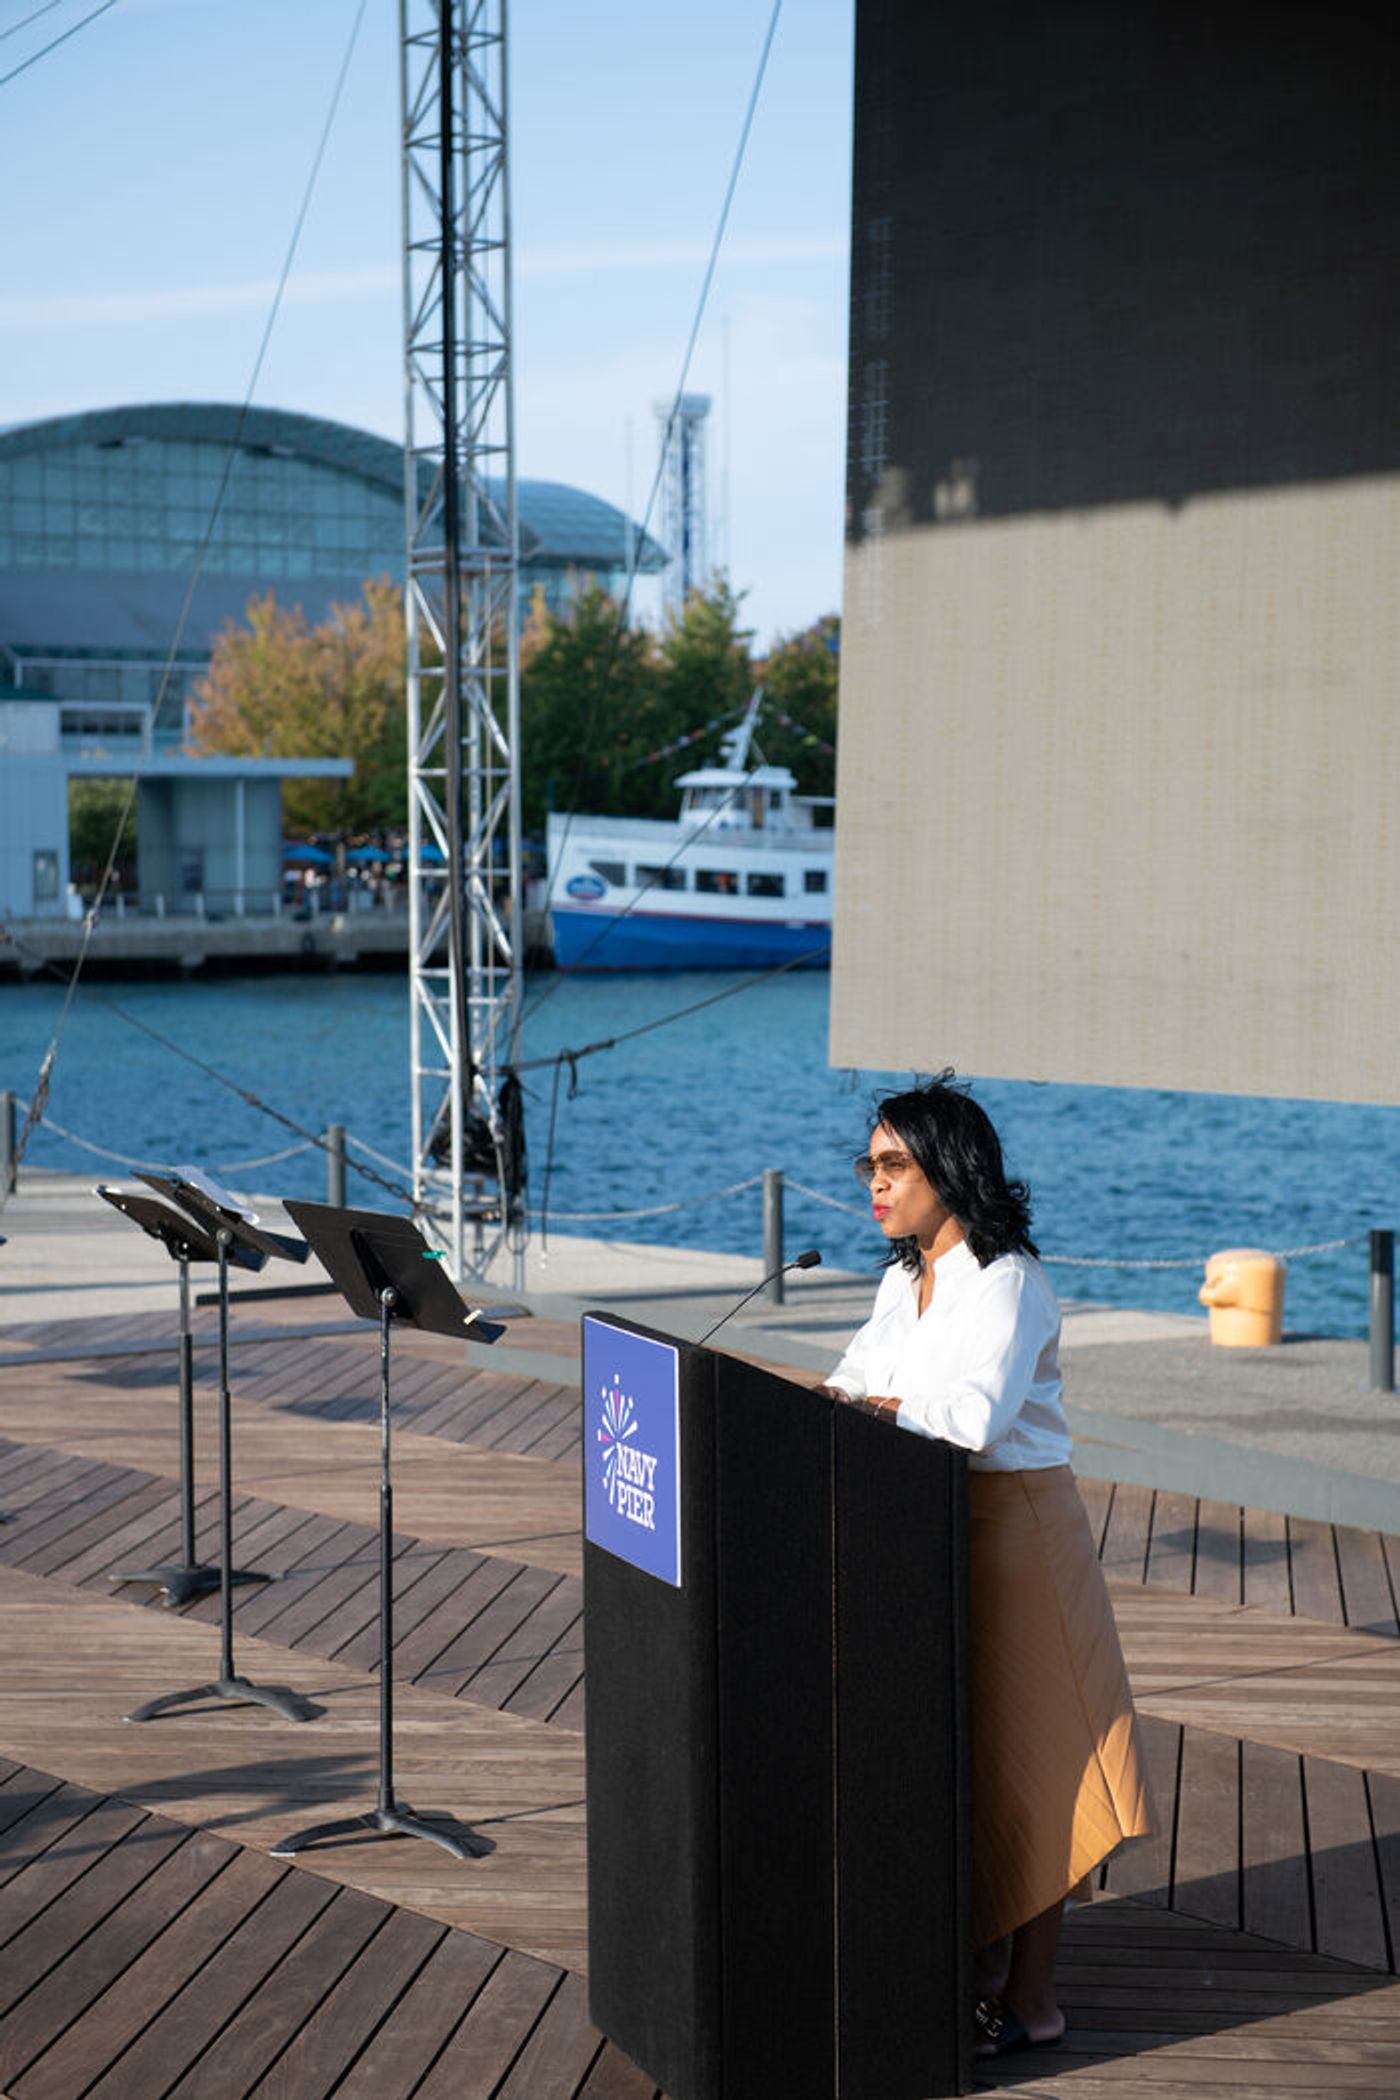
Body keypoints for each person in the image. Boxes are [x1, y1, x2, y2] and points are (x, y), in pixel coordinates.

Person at [824, 1073, 1154, 2059]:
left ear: (948, 1168)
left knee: (1038, 1768)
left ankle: (1032, 2001)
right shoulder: (902, 1281)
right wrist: (838, 1403)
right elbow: (851, 1380)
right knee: (966, 1761)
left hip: (1019, 1536)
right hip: (927, 1527)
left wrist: (869, 1408)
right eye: (869, 1164)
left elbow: (970, 1419)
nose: (875, 1182)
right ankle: (974, 1976)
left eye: (894, 1164)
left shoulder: (1007, 1282)